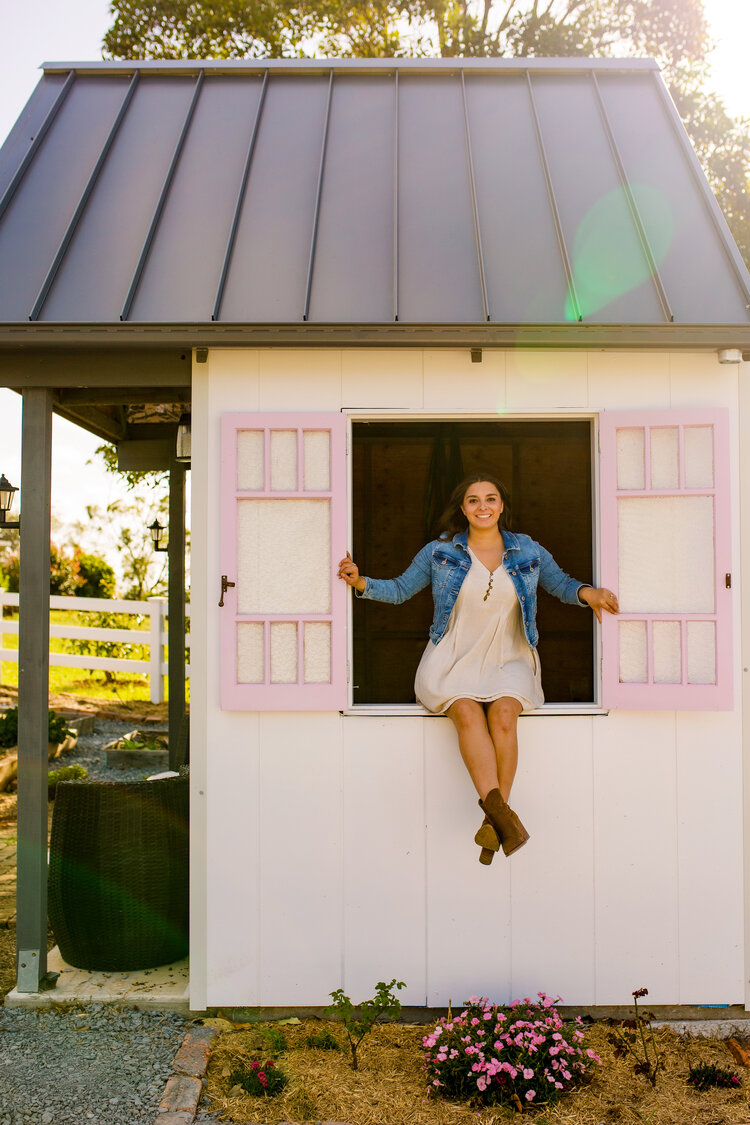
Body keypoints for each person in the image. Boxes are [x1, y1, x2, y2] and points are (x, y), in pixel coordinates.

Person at [338, 473, 618, 865]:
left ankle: (494, 822)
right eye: (473, 500)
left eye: (490, 499)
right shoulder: (439, 553)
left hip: (511, 657)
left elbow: (560, 584)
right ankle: (503, 820)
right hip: (453, 657)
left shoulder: (527, 550)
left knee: (504, 716)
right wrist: (360, 581)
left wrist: (591, 594)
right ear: (462, 508)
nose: (482, 506)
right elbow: (401, 590)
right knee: (467, 714)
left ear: (502, 505)